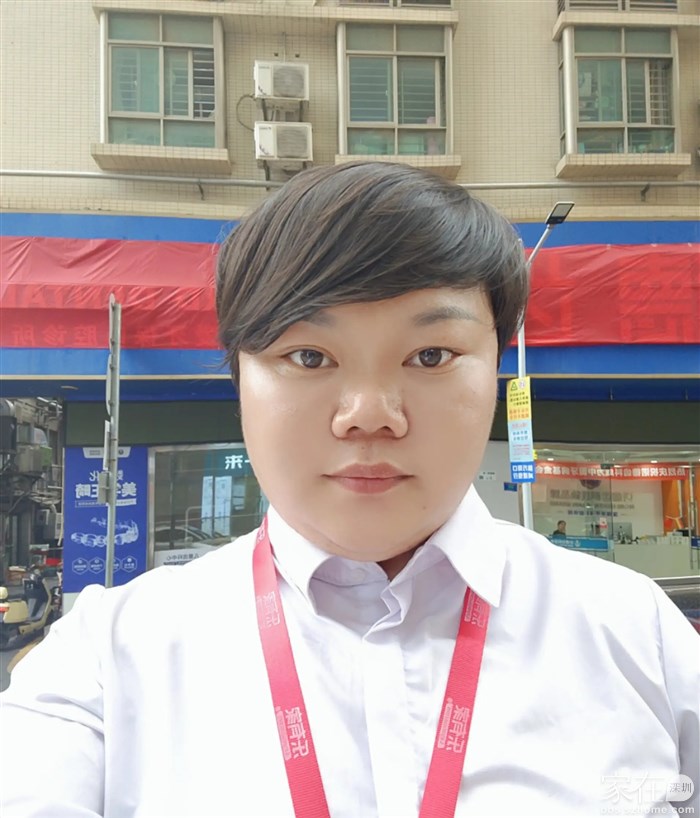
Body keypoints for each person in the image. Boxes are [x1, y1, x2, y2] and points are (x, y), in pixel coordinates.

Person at [2, 162, 698, 818]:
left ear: (497, 368)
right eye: (309, 356)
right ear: (240, 378)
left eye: (431, 355)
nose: (369, 413)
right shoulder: (107, 662)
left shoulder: (639, 635)